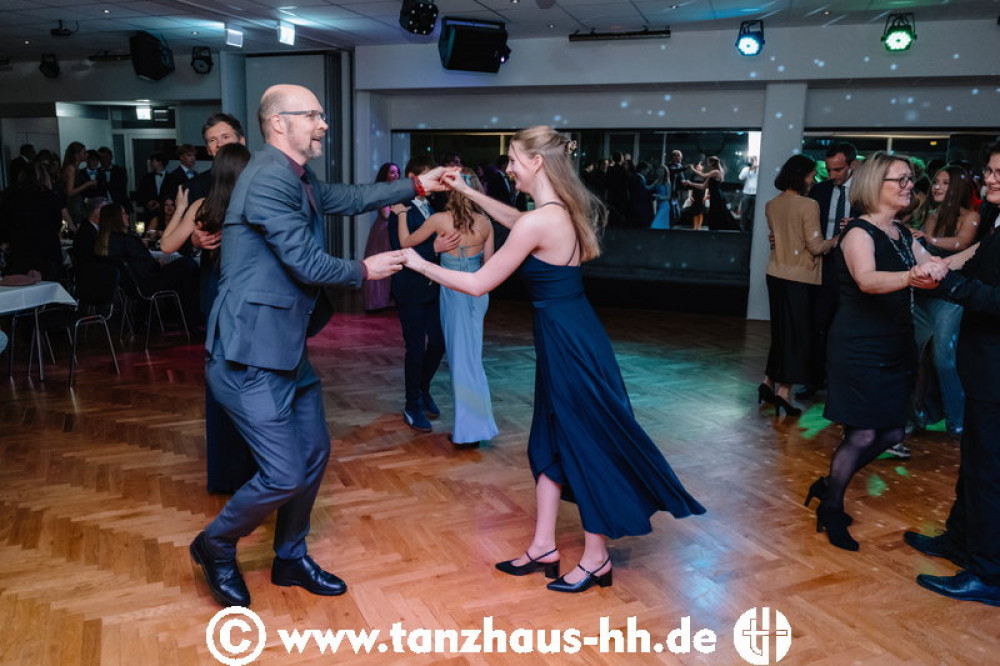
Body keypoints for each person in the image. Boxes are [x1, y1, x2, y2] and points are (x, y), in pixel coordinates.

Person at [400, 126, 705, 593]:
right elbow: (516, 220)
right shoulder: (556, 210)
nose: (508, 168)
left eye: (514, 160)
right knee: (548, 441)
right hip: (570, 335)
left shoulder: (539, 220)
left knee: (585, 443)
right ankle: (544, 545)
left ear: (537, 162)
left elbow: (479, 283)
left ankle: (597, 557)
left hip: (568, 344)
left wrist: (418, 262)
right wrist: (468, 191)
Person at [190, 84, 453, 608]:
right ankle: (215, 543)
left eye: (321, 115)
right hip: (248, 353)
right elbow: (305, 262)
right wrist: (365, 269)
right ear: (279, 123)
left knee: (312, 453)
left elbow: (350, 198)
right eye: (313, 115)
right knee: (283, 472)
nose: (323, 124)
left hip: (284, 348)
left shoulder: (297, 175)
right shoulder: (267, 178)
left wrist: (417, 185)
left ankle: (290, 555)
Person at [806, 152, 943, 552]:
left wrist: (976, 252)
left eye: (910, 179)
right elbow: (867, 280)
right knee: (864, 431)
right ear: (874, 186)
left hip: (895, 343)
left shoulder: (901, 232)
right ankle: (832, 506)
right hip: (859, 346)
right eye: (900, 180)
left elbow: (935, 264)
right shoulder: (858, 232)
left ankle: (829, 483)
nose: (909, 186)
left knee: (893, 432)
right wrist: (913, 276)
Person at [905, 143, 1000, 607]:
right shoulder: (996, 219)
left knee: (990, 474)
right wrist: (939, 265)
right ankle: (960, 541)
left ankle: (989, 574)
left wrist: (951, 283)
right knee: (975, 466)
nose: (990, 179)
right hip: (984, 368)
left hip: (996, 373)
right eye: (990, 170)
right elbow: (975, 262)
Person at [160, 117, 254, 496]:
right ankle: (243, 469)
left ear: (241, 139)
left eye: (224, 138)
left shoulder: (264, 182)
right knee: (227, 379)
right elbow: (178, 245)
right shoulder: (200, 187)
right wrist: (195, 242)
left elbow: (166, 244)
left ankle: (241, 469)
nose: (217, 145)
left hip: (244, 292)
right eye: (211, 140)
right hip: (222, 289)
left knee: (242, 378)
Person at [396, 168, 498, 448]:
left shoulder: (439, 220)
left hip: (454, 293)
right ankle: (476, 426)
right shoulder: (485, 223)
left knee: (461, 362)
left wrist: (401, 214)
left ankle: (469, 432)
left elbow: (405, 244)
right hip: (478, 294)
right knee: (472, 359)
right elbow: (489, 266)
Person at [760, 155, 836, 416]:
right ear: (801, 176)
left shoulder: (771, 204)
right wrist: (837, 239)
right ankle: (784, 393)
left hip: (775, 273)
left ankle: (767, 383)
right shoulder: (809, 205)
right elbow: (815, 246)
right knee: (797, 337)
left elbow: (776, 239)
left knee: (781, 332)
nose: (814, 180)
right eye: (812, 175)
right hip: (800, 278)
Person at [908, 165, 980, 434]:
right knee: (915, 358)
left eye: (944, 183)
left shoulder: (971, 216)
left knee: (943, 360)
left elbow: (963, 243)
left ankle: (957, 422)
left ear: (957, 187)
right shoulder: (932, 215)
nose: (936, 187)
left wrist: (929, 238)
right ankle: (918, 417)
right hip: (925, 294)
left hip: (950, 298)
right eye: (936, 181)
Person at [387, 156, 456, 433]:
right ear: (411, 177)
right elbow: (400, 249)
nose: (433, 182)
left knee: (438, 342)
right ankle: (412, 404)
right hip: (410, 288)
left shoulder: (434, 205)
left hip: (434, 286)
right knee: (415, 348)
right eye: (428, 176)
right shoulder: (400, 209)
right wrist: (434, 250)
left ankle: (423, 387)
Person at [801, 143, 861, 400]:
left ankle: (844, 381)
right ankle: (814, 379)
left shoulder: (864, 192)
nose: (833, 175)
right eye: (829, 169)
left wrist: (858, 224)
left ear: (853, 165)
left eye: (838, 169)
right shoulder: (820, 190)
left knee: (848, 326)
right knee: (818, 322)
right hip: (823, 262)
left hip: (855, 264)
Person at [361, 162, 400, 311]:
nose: (396, 175)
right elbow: (386, 215)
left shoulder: (395, 190)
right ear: (385, 174)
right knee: (382, 263)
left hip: (391, 228)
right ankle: (377, 301)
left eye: (397, 172)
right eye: (392, 172)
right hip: (384, 230)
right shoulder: (382, 191)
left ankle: (389, 298)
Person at [739, 156, 759, 232]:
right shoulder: (746, 169)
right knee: (744, 211)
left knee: (754, 212)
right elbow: (741, 177)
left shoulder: (760, 169)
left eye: (753, 160)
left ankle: (752, 227)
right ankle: (742, 227)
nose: (752, 162)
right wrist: (749, 169)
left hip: (756, 193)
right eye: (751, 160)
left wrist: (756, 168)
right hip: (746, 193)